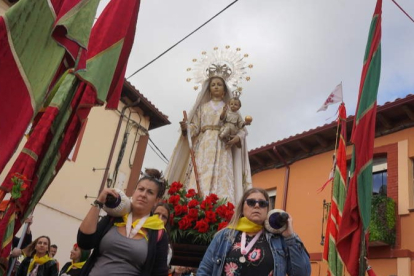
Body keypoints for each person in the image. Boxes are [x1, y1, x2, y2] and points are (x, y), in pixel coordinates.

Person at [165, 76, 252, 204]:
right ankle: (197, 203)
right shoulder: (202, 108)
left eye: (219, 84)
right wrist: (186, 128)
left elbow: (241, 129)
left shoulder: (231, 109)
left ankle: (222, 206)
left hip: (223, 145)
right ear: (209, 90)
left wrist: (237, 137)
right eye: (213, 85)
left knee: (222, 173)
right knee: (200, 173)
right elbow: (195, 127)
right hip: (204, 144)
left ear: (224, 90)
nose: (216, 86)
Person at [197, 188, 311, 276]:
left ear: (267, 209)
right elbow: (205, 271)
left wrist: (290, 236)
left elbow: (303, 273)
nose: (257, 205)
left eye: (262, 203)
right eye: (251, 202)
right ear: (242, 207)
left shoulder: (279, 239)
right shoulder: (224, 236)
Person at [77, 168, 169, 276]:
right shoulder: (115, 217)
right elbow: (84, 242)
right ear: (134, 192)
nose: (143, 194)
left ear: (157, 201)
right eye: (141, 189)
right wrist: (99, 202)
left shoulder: (158, 233)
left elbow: (159, 273)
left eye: (150, 192)